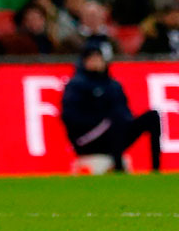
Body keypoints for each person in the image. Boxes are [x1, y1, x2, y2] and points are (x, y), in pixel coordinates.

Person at [60, 43, 161, 173]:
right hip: (87, 139)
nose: (96, 62)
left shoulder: (113, 85)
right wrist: (100, 120)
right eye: (92, 59)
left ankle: (156, 169)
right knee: (113, 119)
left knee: (152, 116)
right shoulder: (76, 85)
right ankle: (118, 167)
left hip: (115, 133)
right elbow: (69, 116)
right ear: (84, 62)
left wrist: (126, 121)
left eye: (99, 58)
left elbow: (125, 111)